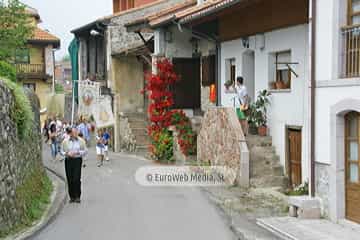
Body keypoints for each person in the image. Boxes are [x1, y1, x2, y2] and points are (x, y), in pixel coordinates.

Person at [61, 128, 87, 203]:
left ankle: (77, 196)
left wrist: (78, 153)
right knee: (70, 178)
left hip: (77, 160)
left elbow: (85, 150)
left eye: (76, 132)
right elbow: (61, 150)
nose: (76, 134)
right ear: (71, 134)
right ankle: (72, 196)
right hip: (68, 160)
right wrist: (67, 153)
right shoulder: (65, 141)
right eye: (74, 133)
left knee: (76, 178)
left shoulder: (81, 141)